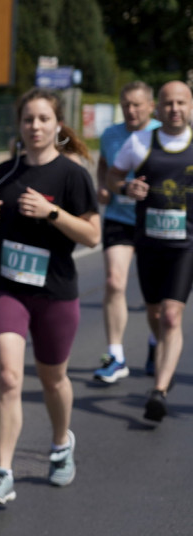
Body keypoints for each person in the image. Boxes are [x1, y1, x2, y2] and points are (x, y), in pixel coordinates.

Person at [0, 88, 100, 504]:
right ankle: (1, 472)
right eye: (28, 119)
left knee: (53, 380)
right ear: (20, 125)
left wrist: (52, 213)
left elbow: (93, 235)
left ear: (57, 124)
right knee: (9, 376)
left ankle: (61, 442)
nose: (35, 127)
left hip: (55, 291)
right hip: (6, 286)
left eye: (43, 119)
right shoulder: (5, 171)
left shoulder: (72, 175)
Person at [107, 80, 193, 422]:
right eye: (168, 103)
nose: (175, 109)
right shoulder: (140, 142)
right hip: (149, 243)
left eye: (182, 102)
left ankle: (158, 390)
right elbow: (112, 178)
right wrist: (127, 186)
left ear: (191, 107)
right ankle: (160, 350)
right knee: (156, 314)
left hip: (186, 245)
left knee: (173, 315)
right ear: (158, 108)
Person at [93, 82, 160, 383]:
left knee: (155, 302)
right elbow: (104, 165)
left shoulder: (164, 132)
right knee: (114, 282)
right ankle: (116, 355)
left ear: (150, 105)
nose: (130, 111)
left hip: (155, 221)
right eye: (125, 105)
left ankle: (157, 342)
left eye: (136, 105)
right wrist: (103, 186)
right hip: (119, 217)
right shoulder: (111, 134)